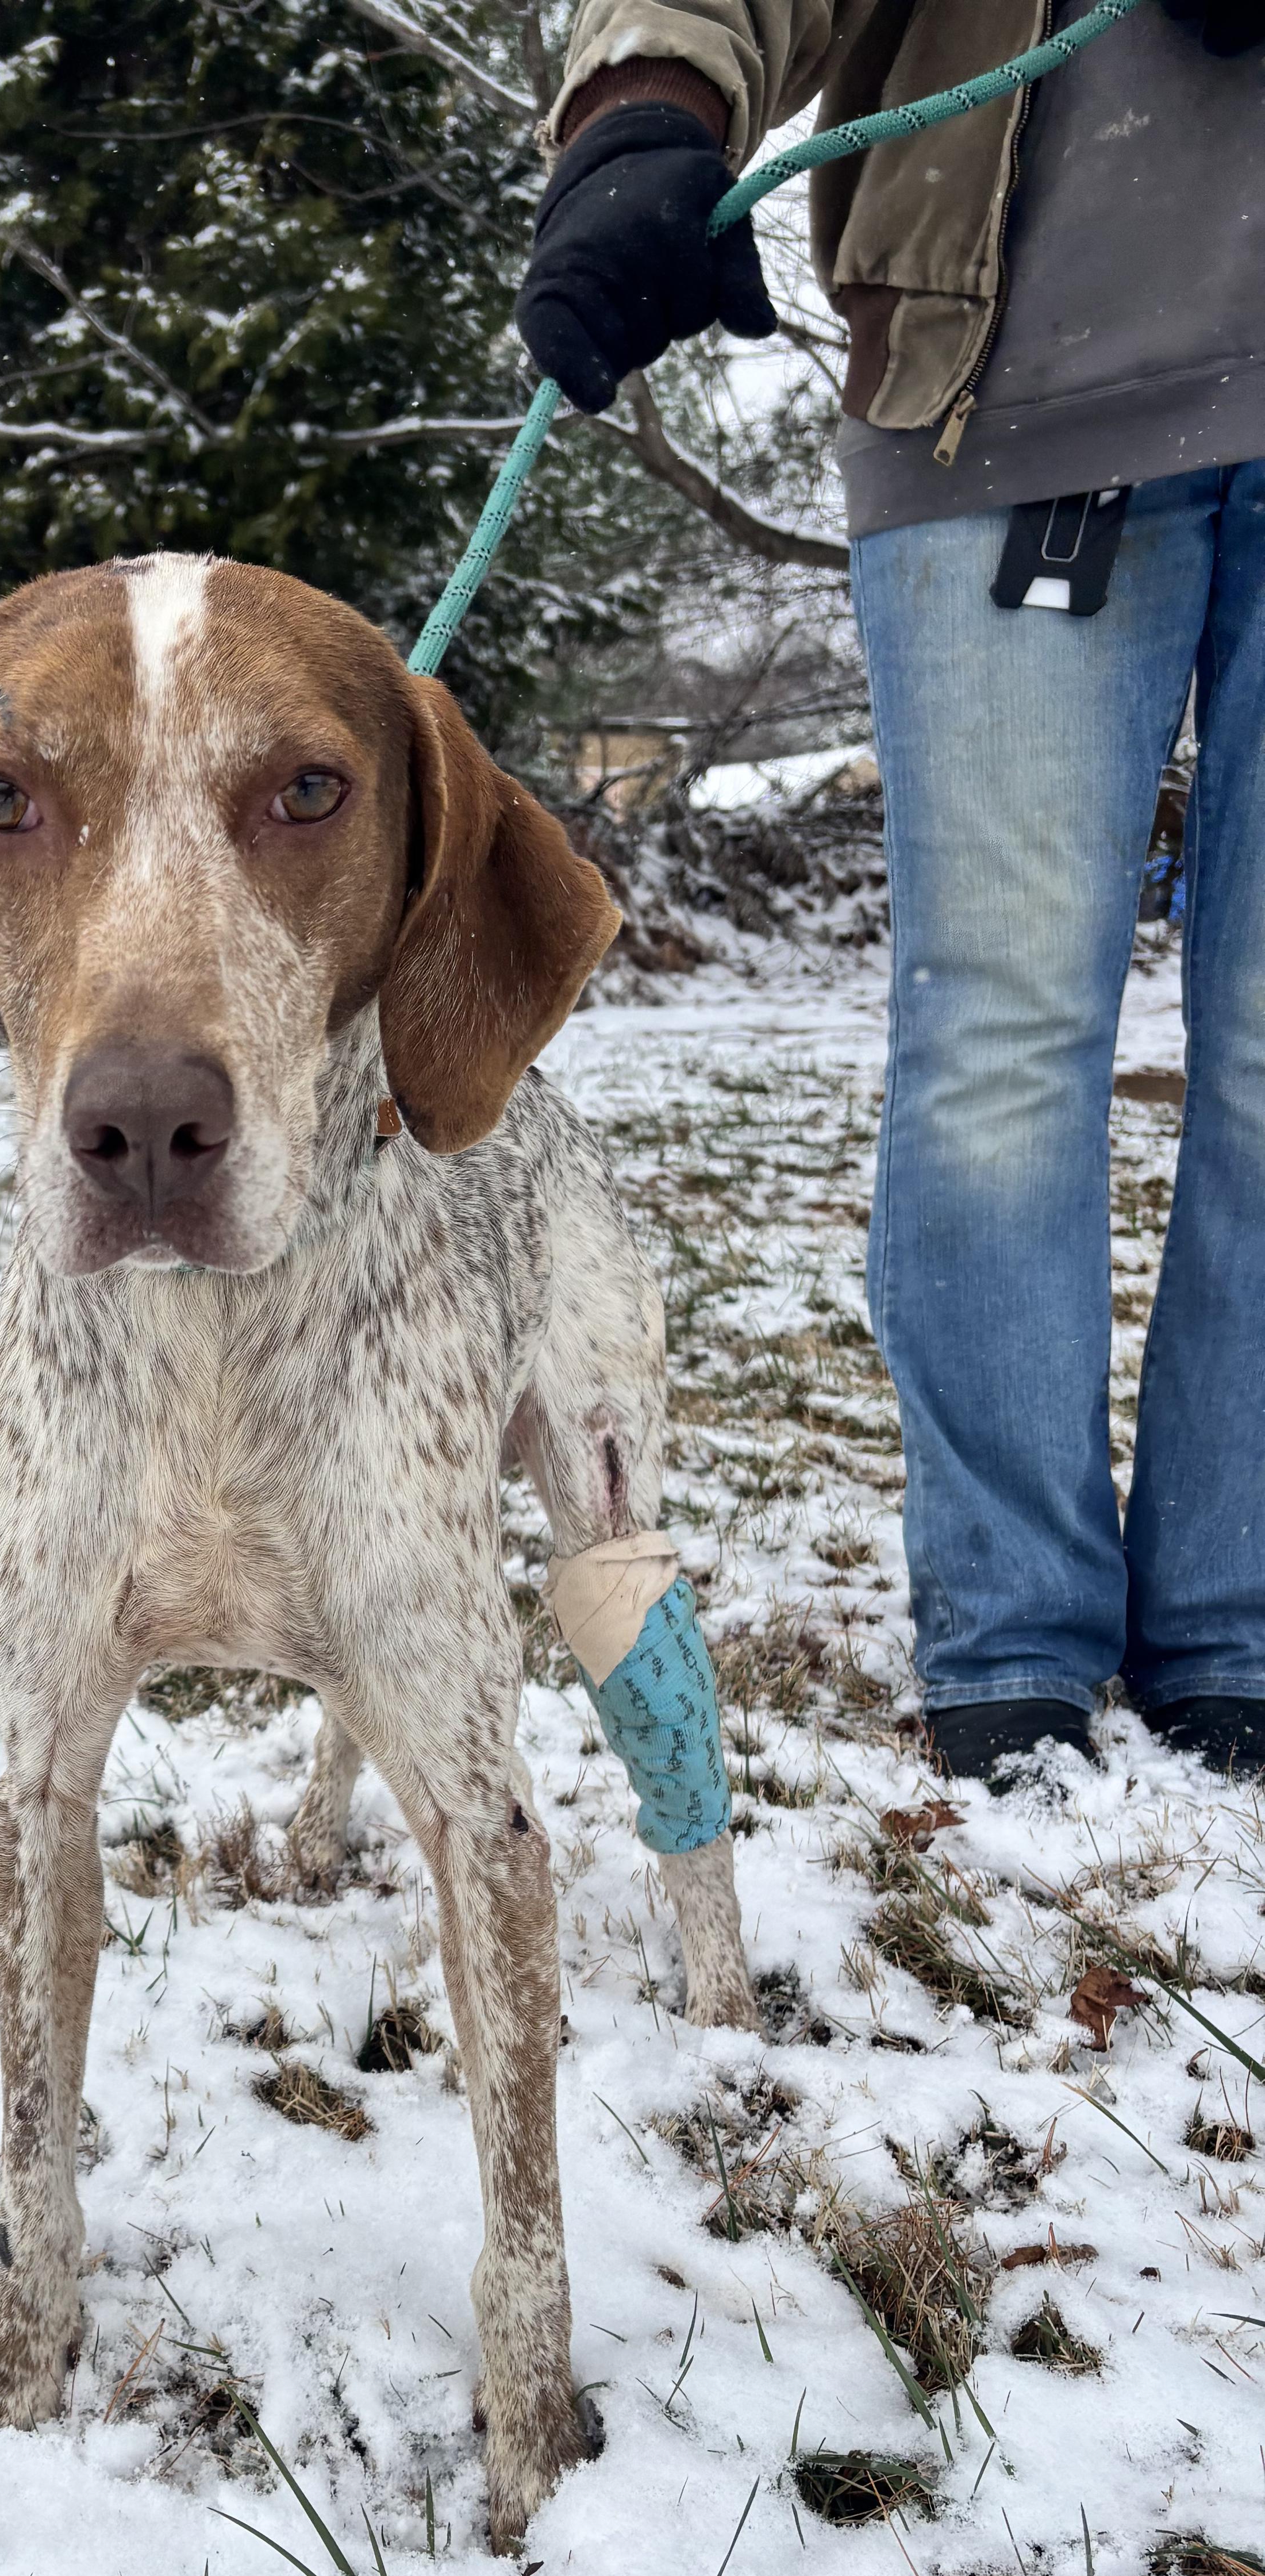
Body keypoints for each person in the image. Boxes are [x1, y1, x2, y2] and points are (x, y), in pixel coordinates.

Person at [516, 0, 1265, 1786]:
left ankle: (1238, 1619)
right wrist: (643, 100)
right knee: (1003, 1035)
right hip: (1015, 387)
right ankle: (1011, 1634)